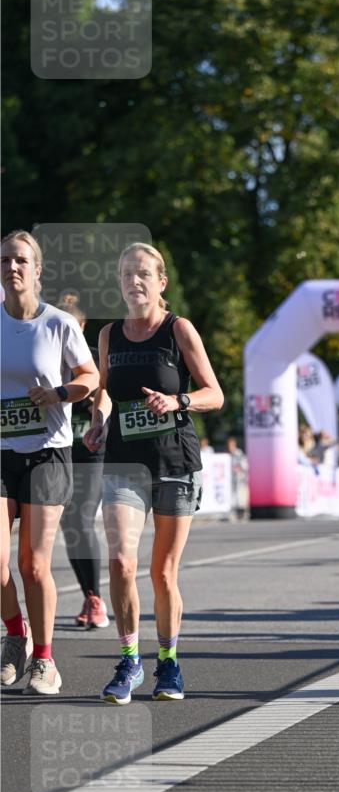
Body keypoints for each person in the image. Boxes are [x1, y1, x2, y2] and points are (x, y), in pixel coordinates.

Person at [84, 242, 224, 703]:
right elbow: (104, 392)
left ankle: (168, 662)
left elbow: (214, 394)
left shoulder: (178, 329)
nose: (134, 282)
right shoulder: (109, 335)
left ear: (161, 283)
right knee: (122, 561)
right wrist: (98, 418)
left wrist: (178, 400)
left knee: (162, 573)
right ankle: (129, 659)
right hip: (124, 461)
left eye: (143, 274)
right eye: (126, 274)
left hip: (175, 462)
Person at [1, 231, 99, 694]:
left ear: (37, 270)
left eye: (21, 260)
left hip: (47, 451)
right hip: (0, 453)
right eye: (4, 260)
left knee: (33, 565)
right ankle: (16, 637)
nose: (12, 267)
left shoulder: (59, 324)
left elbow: (90, 377)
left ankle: (45, 659)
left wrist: (58, 393)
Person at [56, 293, 109, 628]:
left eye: (71, 329)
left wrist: (97, 419)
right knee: (69, 526)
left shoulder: (91, 358)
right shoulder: (43, 360)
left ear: (82, 327)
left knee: (81, 518)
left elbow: (105, 388)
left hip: (91, 450)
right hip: (55, 451)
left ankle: (95, 600)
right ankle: (89, 594)